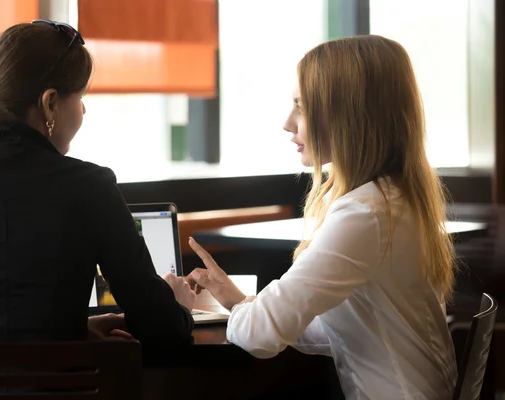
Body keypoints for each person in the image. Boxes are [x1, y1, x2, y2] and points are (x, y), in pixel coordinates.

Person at [187, 35, 457, 399]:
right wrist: (241, 303)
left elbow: (258, 338)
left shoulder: (365, 213)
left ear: (348, 114)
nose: (287, 123)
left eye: (301, 106)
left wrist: (185, 307)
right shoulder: (394, 198)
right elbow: (331, 329)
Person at [0, 20, 195, 346]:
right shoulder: (91, 187)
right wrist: (181, 309)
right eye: (80, 95)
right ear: (50, 103)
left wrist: (74, 332)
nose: (84, 109)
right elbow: (160, 328)